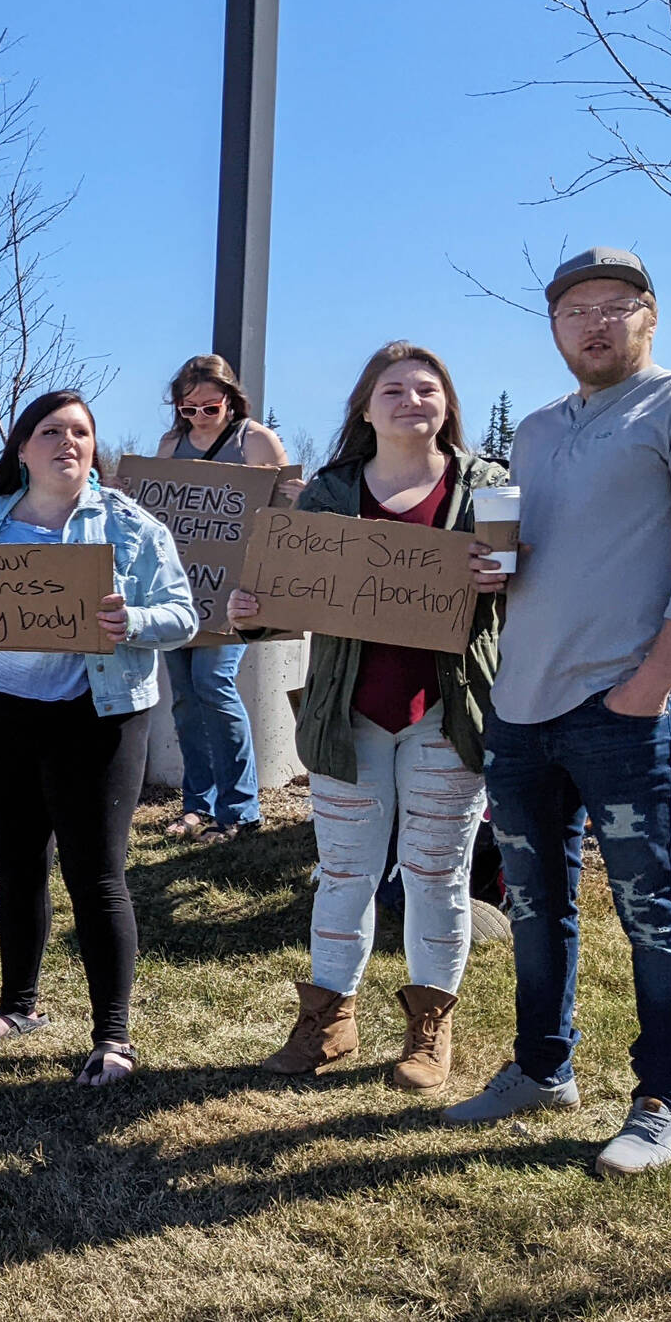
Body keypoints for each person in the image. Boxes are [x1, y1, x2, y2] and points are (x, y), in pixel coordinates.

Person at [444, 247, 671, 1177]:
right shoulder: (537, 433)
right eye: (574, 309)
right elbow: (535, 556)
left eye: (613, 305)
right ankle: (543, 1068)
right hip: (524, 709)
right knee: (536, 905)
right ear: (555, 327)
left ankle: (664, 1098)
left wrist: (650, 685)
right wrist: (494, 571)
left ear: (648, 316)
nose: (593, 322)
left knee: (649, 906)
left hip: (623, 708)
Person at [224, 343, 506, 1090]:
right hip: (348, 716)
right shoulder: (329, 494)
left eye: (426, 387)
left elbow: (531, 586)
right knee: (344, 872)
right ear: (365, 406)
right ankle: (329, 1019)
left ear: (447, 403)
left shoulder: (491, 489)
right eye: (393, 389)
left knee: (436, 873)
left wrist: (506, 575)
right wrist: (251, 612)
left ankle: (428, 1028)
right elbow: (280, 592)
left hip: (448, 713)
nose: (411, 400)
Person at [0, 390, 197, 1087]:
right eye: (52, 431)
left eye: (81, 432)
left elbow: (182, 614)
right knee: (16, 865)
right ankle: (18, 1006)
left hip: (97, 713)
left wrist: (135, 624)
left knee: (97, 875)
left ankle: (113, 1036)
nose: (68, 442)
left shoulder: (129, 526)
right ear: (22, 447)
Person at [152, 354, 298, 843]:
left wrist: (296, 494)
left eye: (207, 408)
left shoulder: (254, 439)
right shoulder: (169, 444)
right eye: (186, 408)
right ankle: (198, 803)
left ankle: (240, 808)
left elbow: (283, 509)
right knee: (185, 698)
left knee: (214, 685)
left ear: (230, 400)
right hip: (178, 590)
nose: (196, 417)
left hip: (234, 591)